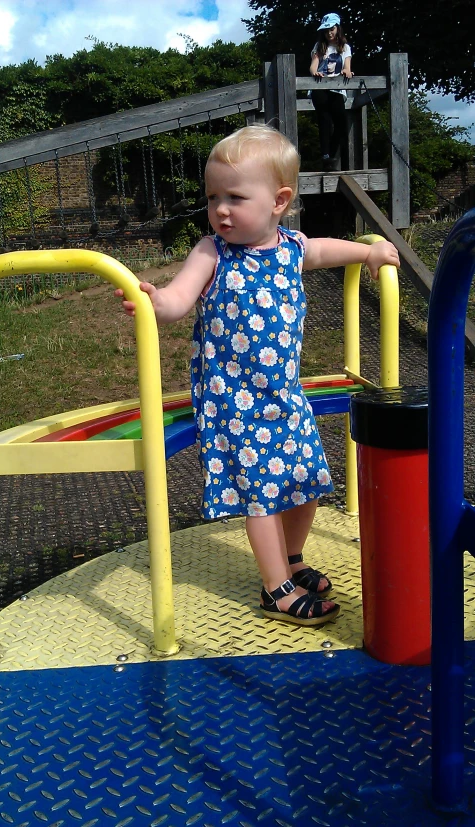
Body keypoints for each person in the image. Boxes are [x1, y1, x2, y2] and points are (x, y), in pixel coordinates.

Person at [116, 125, 399, 628]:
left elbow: (326, 251)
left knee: (307, 481)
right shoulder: (212, 252)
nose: (220, 209)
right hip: (233, 400)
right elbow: (179, 300)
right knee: (264, 492)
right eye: (213, 198)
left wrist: (369, 251)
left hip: (283, 394)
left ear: (279, 201)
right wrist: (155, 301)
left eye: (235, 197)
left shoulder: (292, 246)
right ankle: (275, 589)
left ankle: (291, 560)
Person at [309, 12, 353, 171]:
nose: (329, 32)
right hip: (320, 87)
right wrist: (315, 73)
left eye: (332, 29)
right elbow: (314, 65)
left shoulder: (345, 47)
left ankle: (331, 156)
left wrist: (347, 71)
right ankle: (326, 156)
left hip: (337, 89)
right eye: (326, 30)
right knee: (324, 120)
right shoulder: (319, 46)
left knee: (341, 124)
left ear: (338, 28)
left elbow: (347, 66)